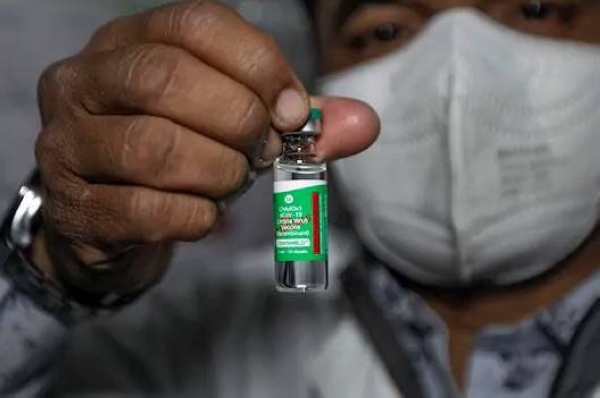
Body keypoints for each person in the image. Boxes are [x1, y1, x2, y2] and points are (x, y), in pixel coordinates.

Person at [2, 0, 600, 397]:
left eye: (534, 8)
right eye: (384, 29)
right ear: (319, 70)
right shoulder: (197, 341)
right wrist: (56, 269)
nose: (459, 75)